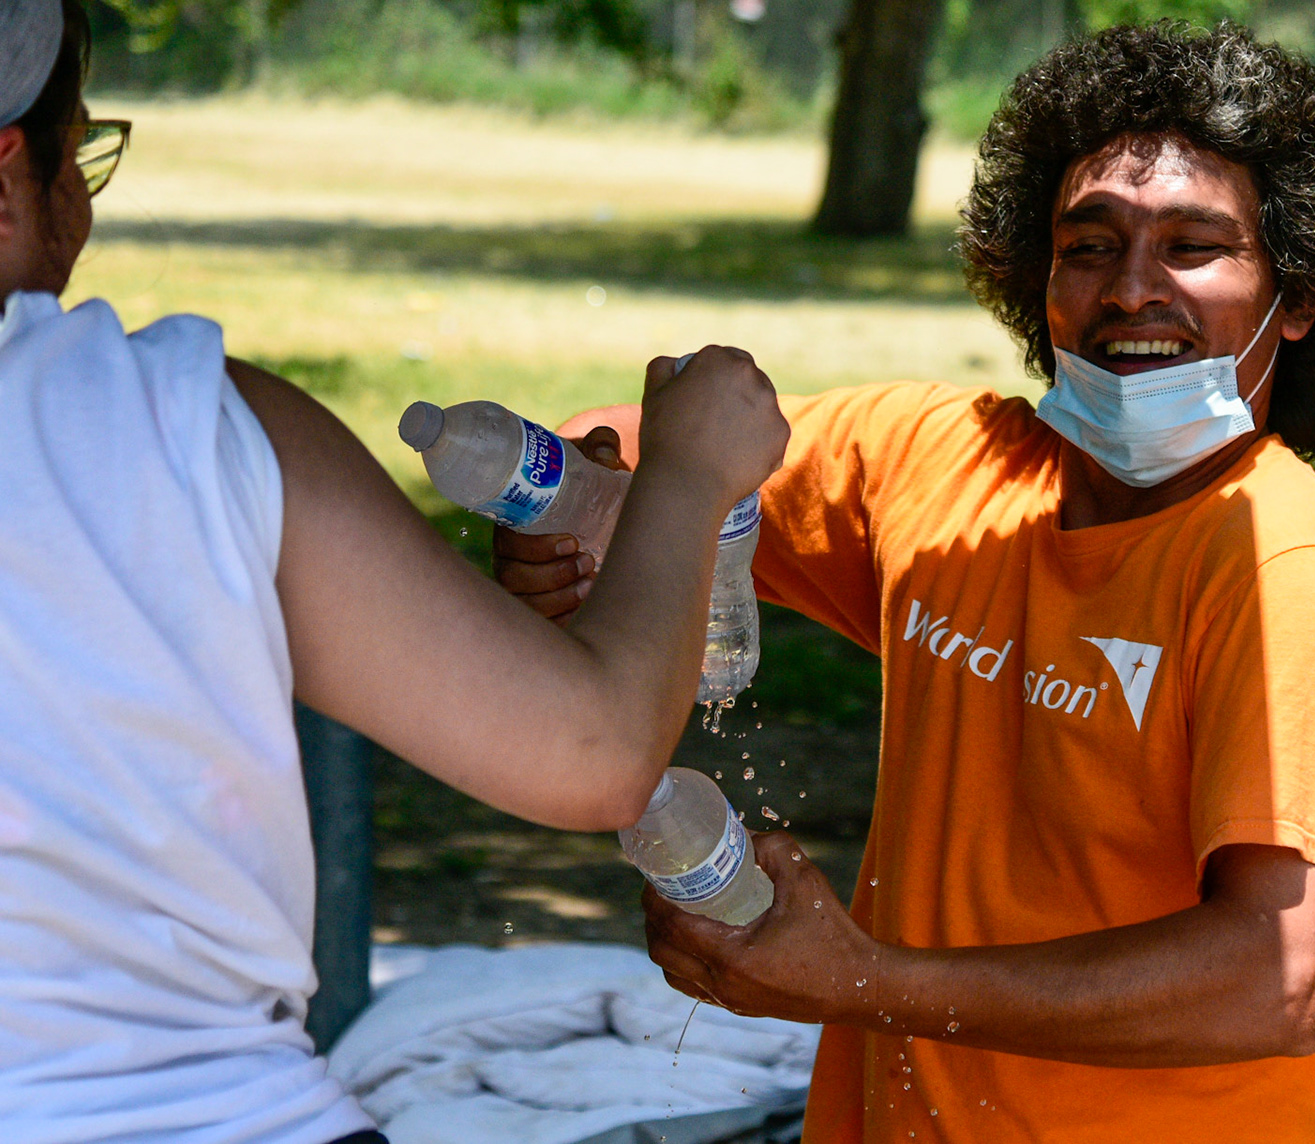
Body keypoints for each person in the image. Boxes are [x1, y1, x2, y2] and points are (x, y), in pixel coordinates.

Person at [497, 23, 1315, 1143]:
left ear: (1299, 296)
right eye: (1089, 245)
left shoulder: (1289, 565)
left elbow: (1280, 978)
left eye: (1192, 247)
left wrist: (866, 980)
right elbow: (617, 445)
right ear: (1036, 277)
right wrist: (562, 510)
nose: (1133, 290)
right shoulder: (939, 461)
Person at [0, 3, 788, 1141]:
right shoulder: (181, 424)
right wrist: (689, 472)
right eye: (82, 152)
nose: (83, 207)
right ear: (10, 161)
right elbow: (597, 752)